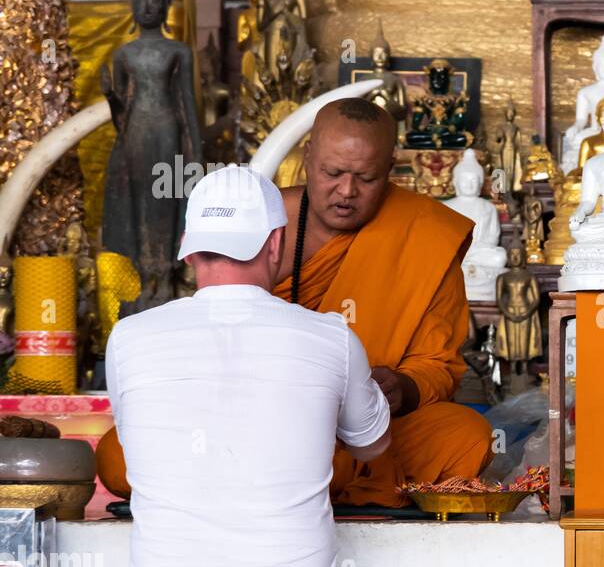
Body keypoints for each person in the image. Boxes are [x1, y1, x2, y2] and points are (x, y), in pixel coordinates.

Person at [108, 166, 415, 567]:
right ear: (276, 243)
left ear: (189, 249)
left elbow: (136, 440)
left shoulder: (129, 338)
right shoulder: (329, 337)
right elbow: (375, 445)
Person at [98, 97, 495, 506]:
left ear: (390, 169)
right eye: (333, 172)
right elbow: (210, 322)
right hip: (244, 418)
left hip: (359, 430)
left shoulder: (424, 235)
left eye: (366, 177)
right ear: (308, 158)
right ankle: (316, 481)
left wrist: (406, 388)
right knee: (115, 454)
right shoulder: (257, 220)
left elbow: (440, 365)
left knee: (466, 435)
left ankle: (265, 479)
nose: (346, 191)